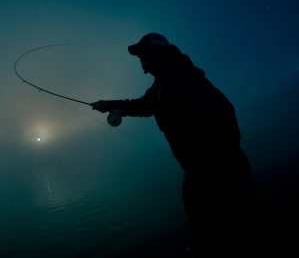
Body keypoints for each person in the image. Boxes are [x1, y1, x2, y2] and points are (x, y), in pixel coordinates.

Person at [91, 33, 255, 257]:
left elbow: (223, 111)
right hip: (199, 172)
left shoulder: (182, 75)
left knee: (234, 232)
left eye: (142, 51)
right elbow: (144, 105)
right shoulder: (162, 83)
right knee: (211, 236)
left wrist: (225, 158)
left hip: (218, 168)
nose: (139, 57)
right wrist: (110, 104)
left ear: (157, 50)